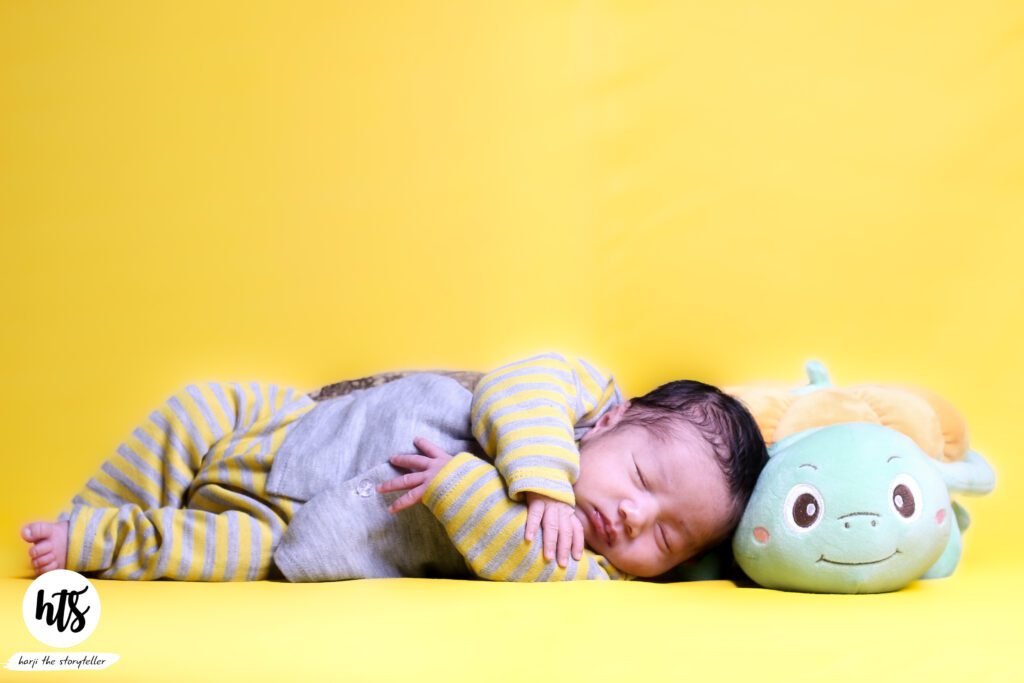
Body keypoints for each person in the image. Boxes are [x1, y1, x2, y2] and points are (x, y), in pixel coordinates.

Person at [21, 352, 768, 582]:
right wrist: (542, 482)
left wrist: (459, 484)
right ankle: (89, 509)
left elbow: (522, 557)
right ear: (612, 421)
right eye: (642, 479)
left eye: (666, 537)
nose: (634, 517)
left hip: (303, 534)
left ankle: (94, 542)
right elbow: (517, 386)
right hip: (296, 426)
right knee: (197, 407)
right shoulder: (579, 395)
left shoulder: (589, 570)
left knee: (210, 552)